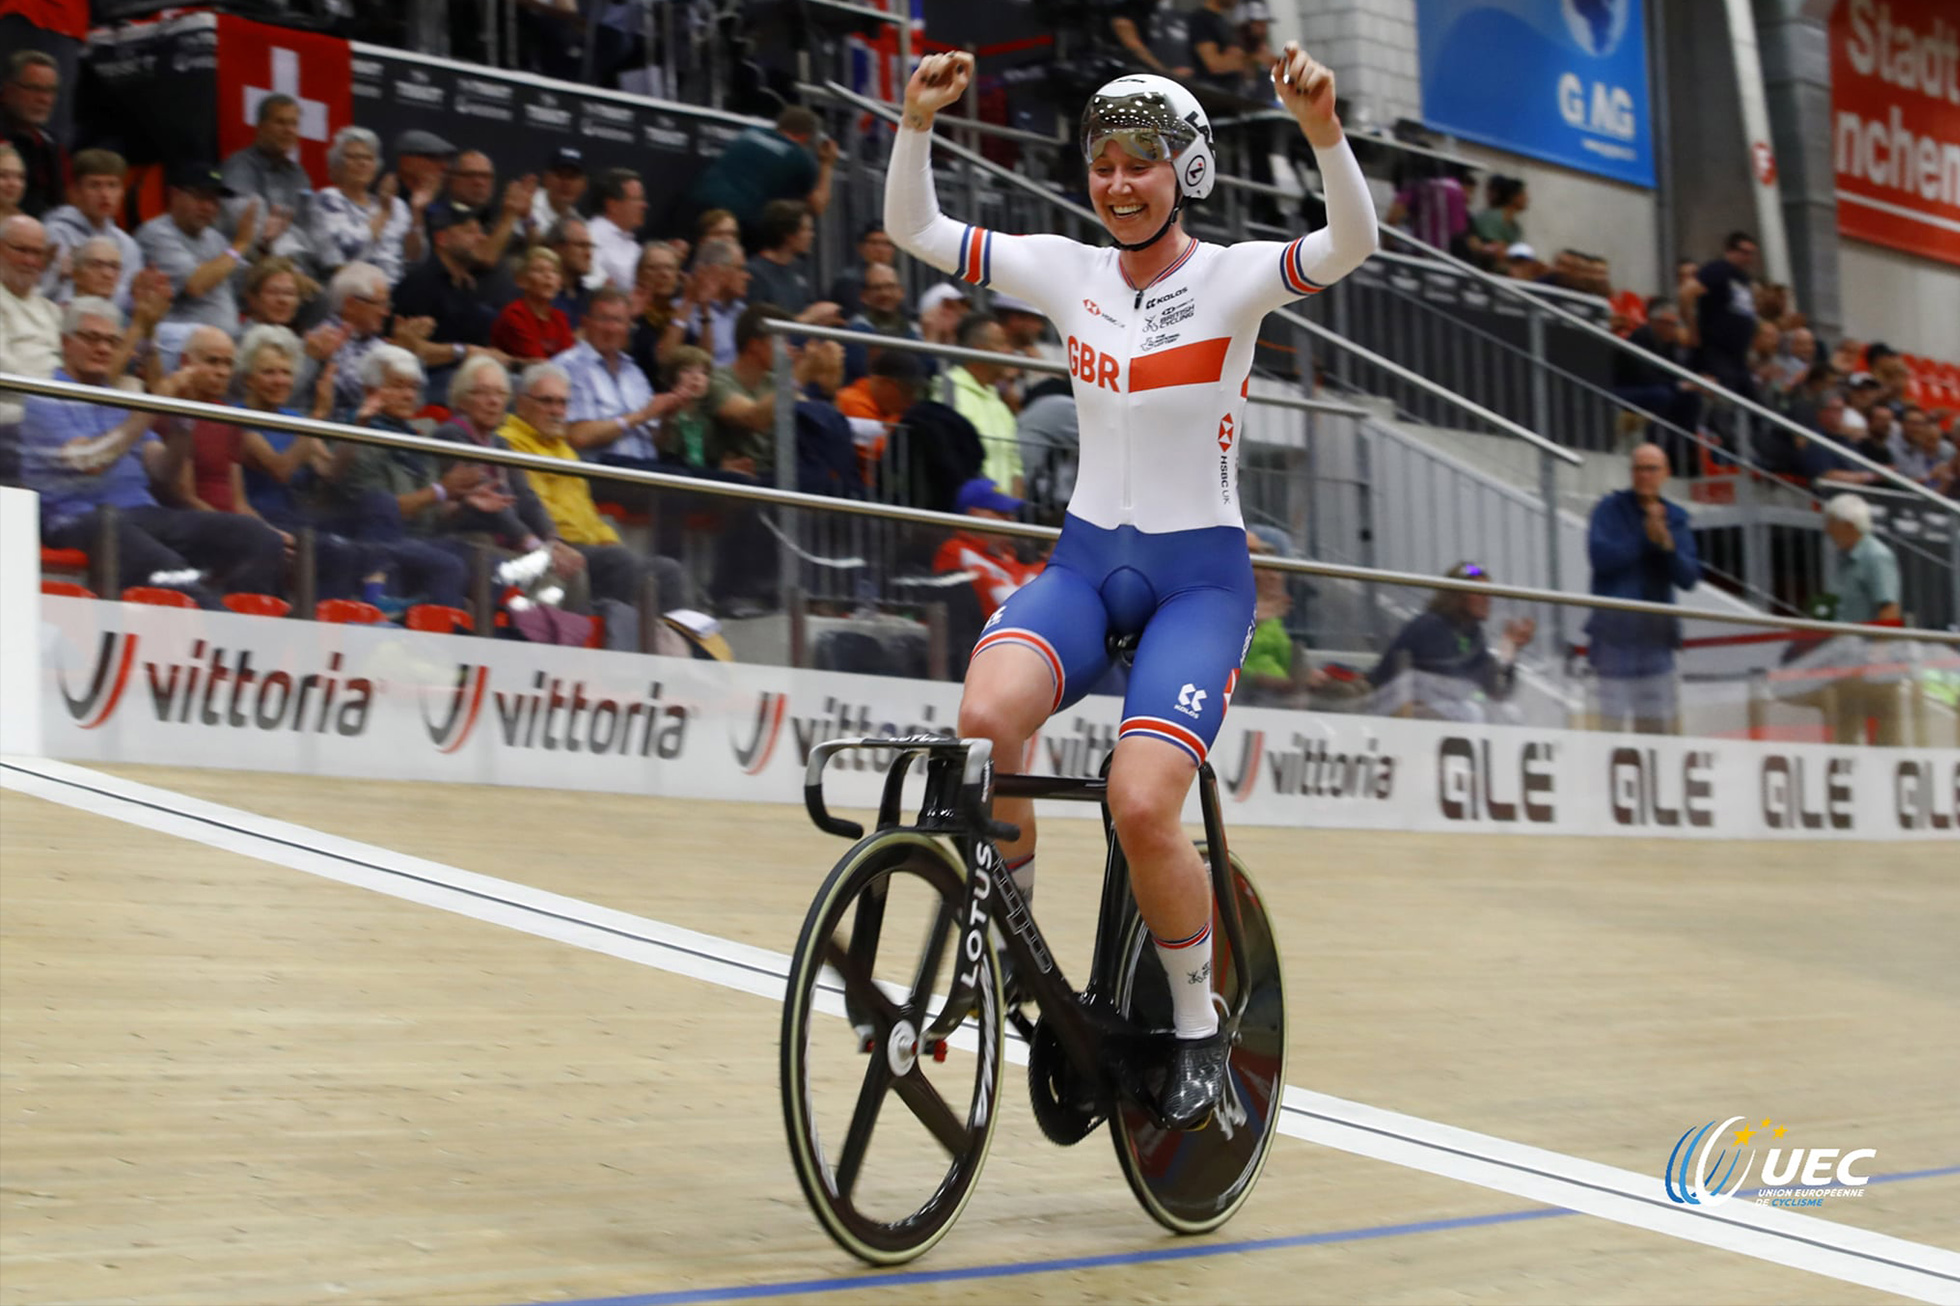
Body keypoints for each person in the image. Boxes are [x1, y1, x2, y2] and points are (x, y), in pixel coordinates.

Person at [887, 45, 1376, 1127]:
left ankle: (1200, 1027)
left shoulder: (1232, 278)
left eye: (1140, 165)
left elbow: (1352, 243)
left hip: (1197, 584)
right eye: (1102, 163)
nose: (1116, 183)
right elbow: (917, 232)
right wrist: (916, 123)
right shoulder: (1068, 271)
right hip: (1083, 564)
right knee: (983, 717)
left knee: (1142, 801)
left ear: (1184, 174)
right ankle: (1001, 932)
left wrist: (1323, 131)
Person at [22, 302, 285, 603]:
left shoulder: (121, 403)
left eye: (112, 341)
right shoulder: (44, 398)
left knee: (257, 538)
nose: (103, 348)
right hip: (82, 520)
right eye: (92, 338)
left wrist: (183, 417)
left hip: (145, 514)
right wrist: (152, 406)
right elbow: (91, 460)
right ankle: (228, 636)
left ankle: (253, 631)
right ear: (65, 342)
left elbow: (163, 470)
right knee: (170, 568)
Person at [497, 362, 692, 611]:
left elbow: (588, 513)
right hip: (553, 546)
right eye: (547, 401)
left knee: (667, 570)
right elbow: (536, 510)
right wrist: (601, 548)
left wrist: (608, 540)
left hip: (591, 551)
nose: (557, 411)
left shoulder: (565, 450)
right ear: (522, 403)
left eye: (563, 402)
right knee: (617, 561)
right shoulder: (509, 443)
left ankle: (670, 644)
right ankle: (615, 638)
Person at [1585, 443, 1702, 735]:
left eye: (1652, 469)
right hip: (1614, 639)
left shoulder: (1676, 517)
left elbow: (1689, 577)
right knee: (1609, 728)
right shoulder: (1609, 509)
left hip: (1656, 642)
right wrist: (1644, 538)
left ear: (1666, 473)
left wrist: (1667, 546)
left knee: (1655, 731)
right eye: (1639, 468)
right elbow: (1600, 558)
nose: (1645, 475)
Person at [1366, 562, 1534, 722]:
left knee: (1508, 713)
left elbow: (1496, 692)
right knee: (1472, 712)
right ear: (1457, 595)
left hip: (1434, 713)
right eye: (1479, 591)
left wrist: (1509, 645)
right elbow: (1457, 681)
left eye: (1488, 592)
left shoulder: (1472, 635)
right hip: (1393, 713)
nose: (1487, 598)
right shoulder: (1430, 626)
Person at [687, 106, 839, 234]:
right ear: (806, 137)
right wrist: (827, 164)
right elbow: (817, 206)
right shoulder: (800, 157)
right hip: (739, 220)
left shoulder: (751, 132)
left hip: (695, 202)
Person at [309, 126, 415, 283]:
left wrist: (418, 211)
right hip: (350, 293)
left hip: (396, 296)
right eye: (353, 157)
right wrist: (383, 214)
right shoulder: (327, 200)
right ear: (337, 164)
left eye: (368, 158)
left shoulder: (397, 206)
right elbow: (349, 252)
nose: (362, 163)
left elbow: (414, 257)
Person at [220, 94, 313, 269]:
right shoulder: (239, 166)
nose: (289, 130)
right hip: (249, 264)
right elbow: (250, 227)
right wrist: (291, 264)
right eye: (280, 122)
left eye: (294, 124)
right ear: (261, 127)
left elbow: (309, 227)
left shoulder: (300, 175)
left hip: (296, 264)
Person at [40, 149, 142, 307]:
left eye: (112, 185)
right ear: (75, 192)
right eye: (95, 185)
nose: (105, 194)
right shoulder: (55, 233)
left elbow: (130, 299)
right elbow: (53, 295)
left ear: (122, 191)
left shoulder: (128, 244)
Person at [933, 476, 1041, 618]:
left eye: (1010, 513)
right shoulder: (955, 551)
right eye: (999, 512)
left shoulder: (1013, 555)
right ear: (973, 515)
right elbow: (1003, 604)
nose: (1010, 518)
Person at [942, 312, 1022, 495]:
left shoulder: (1000, 402)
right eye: (1001, 343)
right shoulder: (948, 390)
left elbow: (1015, 467)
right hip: (969, 513)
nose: (1010, 351)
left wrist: (1012, 511)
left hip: (1000, 516)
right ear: (980, 350)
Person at [2, 51, 64, 219]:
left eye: (50, 90)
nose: (44, 99)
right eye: (35, 89)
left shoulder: (50, 143)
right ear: (8, 91)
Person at [492, 246, 577, 363]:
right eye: (539, 270)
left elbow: (570, 361)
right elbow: (537, 362)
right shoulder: (514, 314)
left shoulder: (560, 317)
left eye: (554, 271)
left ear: (560, 283)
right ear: (521, 281)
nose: (548, 276)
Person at [588, 167, 649, 292]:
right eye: (637, 199)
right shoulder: (591, 236)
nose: (644, 205)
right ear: (612, 205)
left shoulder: (633, 246)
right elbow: (592, 285)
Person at [827, 222, 897, 319]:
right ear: (861, 248)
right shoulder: (848, 281)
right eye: (874, 243)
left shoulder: (895, 279)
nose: (880, 249)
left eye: (886, 244)